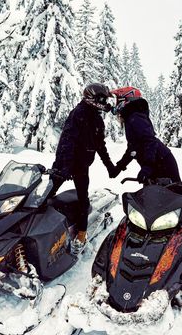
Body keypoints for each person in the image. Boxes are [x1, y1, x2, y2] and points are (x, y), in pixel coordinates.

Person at [49, 83, 117, 254]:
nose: (104, 102)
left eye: (105, 99)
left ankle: (81, 233)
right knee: (47, 193)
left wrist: (109, 165)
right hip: (64, 163)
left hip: (81, 165)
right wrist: (64, 166)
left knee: (82, 199)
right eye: (101, 98)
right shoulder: (78, 114)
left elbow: (100, 145)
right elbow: (67, 141)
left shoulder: (97, 119)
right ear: (92, 98)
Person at [111, 86, 181, 184]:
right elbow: (133, 148)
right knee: (152, 196)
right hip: (156, 162)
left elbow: (150, 141)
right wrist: (119, 167)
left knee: (170, 194)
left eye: (118, 101)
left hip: (162, 162)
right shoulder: (131, 117)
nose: (116, 105)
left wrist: (147, 167)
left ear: (126, 100)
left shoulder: (135, 117)